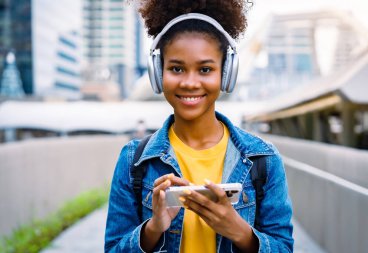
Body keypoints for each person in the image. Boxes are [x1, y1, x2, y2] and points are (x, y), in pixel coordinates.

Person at [105, 1, 293, 252]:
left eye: (205, 69)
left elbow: (284, 247)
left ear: (226, 73)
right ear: (158, 74)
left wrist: (239, 231)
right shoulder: (133, 161)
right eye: (176, 68)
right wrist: (153, 228)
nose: (190, 83)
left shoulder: (263, 159)